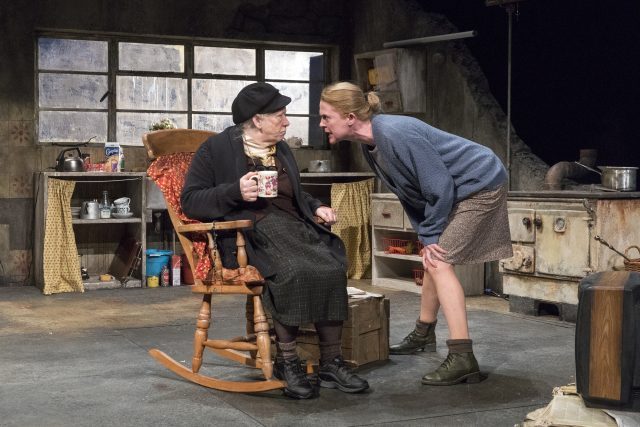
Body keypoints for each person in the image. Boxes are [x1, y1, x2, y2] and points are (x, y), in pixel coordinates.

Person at [181, 82, 369, 399]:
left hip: (294, 226)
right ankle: (288, 361)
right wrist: (234, 192)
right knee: (292, 272)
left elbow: (295, 194)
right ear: (257, 119)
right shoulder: (216, 150)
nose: (286, 122)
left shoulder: (280, 149)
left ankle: (331, 361)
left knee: (332, 267)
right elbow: (191, 201)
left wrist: (315, 206)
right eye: (280, 115)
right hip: (250, 233)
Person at [319, 81, 513, 386]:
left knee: (439, 261)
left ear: (349, 117)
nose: (322, 124)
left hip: (479, 184)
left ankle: (463, 356)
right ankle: (423, 334)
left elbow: (439, 187)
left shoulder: (396, 133)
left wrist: (433, 235)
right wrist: (425, 234)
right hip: (456, 190)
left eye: (326, 116)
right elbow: (410, 193)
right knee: (431, 257)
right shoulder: (371, 145)